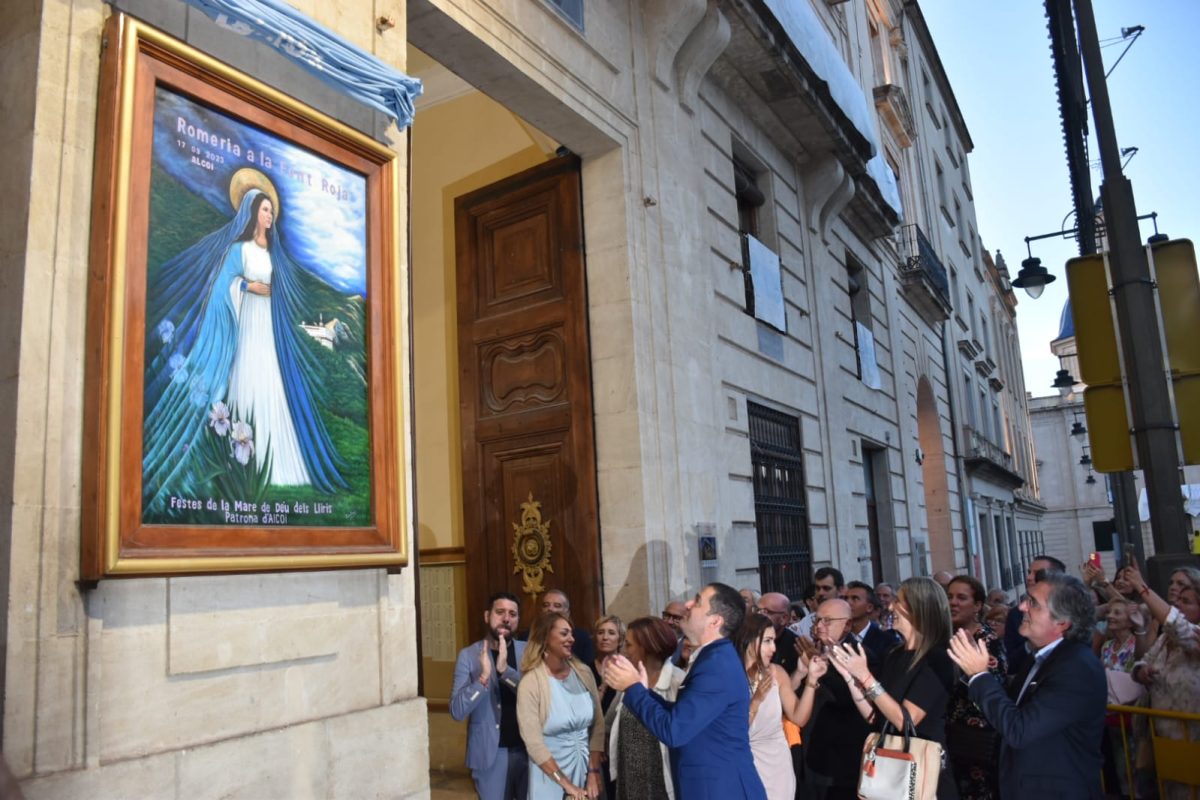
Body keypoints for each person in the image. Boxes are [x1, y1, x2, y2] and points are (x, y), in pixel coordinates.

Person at [142, 177, 350, 512]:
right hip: (245, 320)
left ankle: (278, 463)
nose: (269, 215)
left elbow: (280, 291)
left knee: (270, 380)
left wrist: (272, 297)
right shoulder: (239, 250)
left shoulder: (272, 255)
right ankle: (242, 456)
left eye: (271, 211)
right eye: (264, 210)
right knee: (246, 375)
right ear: (253, 212)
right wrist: (247, 287)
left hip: (266, 326)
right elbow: (223, 284)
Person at [948, 572, 1106, 800]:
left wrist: (979, 675)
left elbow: (1020, 730)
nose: (1022, 607)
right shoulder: (1038, 658)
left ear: (1062, 622)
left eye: (1033, 603)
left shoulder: (1076, 667)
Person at [604, 583, 767, 799]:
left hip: (722, 790)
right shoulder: (712, 657)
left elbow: (674, 731)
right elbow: (685, 714)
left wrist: (632, 688)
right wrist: (644, 691)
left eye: (697, 601)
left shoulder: (717, 665)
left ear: (715, 621)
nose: (688, 604)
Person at [830, 577, 959, 800]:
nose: (890, 607)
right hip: (890, 770)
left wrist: (866, 677)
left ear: (918, 609)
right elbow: (876, 716)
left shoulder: (938, 659)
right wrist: (851, 678)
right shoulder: (894, 654)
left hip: (923, 775)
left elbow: (905, 720)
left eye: (898, 601)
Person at [1127, 564, 1200, 800]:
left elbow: (1178, 626)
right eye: (1178, 600)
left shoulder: (1195, 635)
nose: (1179, 604)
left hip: (1192, 735)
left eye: (1187, 601)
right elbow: (1142, 661)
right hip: (1162, 735)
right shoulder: (1164, 640)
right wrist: (1141, 672)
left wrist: (1141, 586)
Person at [516, 612, 605, 800]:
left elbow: (598, 725)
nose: (571, 639)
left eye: (571, 633)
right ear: (546, 638)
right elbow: (533, 743)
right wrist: (567, 785)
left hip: (587, 774)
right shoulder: (530, 683)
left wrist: (594, 771)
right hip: (550, 778)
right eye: (564, 633)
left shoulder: (584, 673)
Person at [449, 592, 528, 800]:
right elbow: (457, 711)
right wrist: (483, 678)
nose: (506, 618)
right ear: (487, 616)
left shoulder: (528, 652)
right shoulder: (468, 656)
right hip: (489, 755)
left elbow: (538, 698)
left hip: (528, 752)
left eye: (512, 614)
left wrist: (505, 672)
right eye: (500, 612)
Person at [800, 598, 873, 800]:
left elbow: (848, 698)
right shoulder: (812, 651)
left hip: (841, 762)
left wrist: (822, 671)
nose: (819, 626)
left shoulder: (859, 655)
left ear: (847, 625)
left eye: (827, 621)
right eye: (817, 620)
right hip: (811, 753)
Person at [608, 617, 686, 800]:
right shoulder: (629, 680)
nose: (623, 650)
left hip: (663, 785)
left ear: (646, 647)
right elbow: (609, 722)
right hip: (629, 781)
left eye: (628, 645)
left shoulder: (678, 682)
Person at [945, 575, 1006, 800]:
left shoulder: (986, 640)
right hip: (948, 737)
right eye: (950, 596)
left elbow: (994, 685)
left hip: (977, 741)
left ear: (978, 605)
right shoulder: (944, 636)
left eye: (961, 598)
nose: (953, 602)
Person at [736, 615, 797, 800]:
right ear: (749, 640)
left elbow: (799, 717)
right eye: (767, 641)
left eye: (774, 641)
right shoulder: (732, 676)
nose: (774, 648)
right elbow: (735, 731)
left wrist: (809, 679)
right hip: (746, 762)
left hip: (779, 763)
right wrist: (756, 700)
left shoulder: (776, 672)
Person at [1004, 555, 1066, 676]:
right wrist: (1030, 645)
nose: (1029, 578)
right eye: (1029, 572)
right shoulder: (1015, 615)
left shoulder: (1069, 612)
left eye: (1038, 574)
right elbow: (1010, 663)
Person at [592, 614, 624, 799]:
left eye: (611, 633)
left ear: (620, 638)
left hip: (618, 744)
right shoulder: (584, 669)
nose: (605, 637)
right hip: (592, 745)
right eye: (600, 632)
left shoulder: (627, 669)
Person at [844, 581, 901, 662]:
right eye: (845, 598)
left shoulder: (888, 641)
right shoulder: (838, 637)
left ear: (869, 607)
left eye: (855, 598)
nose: (848, 603)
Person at [538, 589, 596, 666]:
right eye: (546, 605)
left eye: (557, 605)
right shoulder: (527, 637)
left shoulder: (582, 638)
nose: (550, 609)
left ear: (567, 613)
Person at [790, 567, 844, 640]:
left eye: (826, 588)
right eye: (818, 588)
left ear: (840, 590)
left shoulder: (849, 620)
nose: (820, 593)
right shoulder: (805, 623)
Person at [758, 591, 799, 675]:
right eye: (756, 610)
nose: (758, 615)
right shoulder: (745, 639)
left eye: (765, 612)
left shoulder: (796, 648)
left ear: (784, 618)